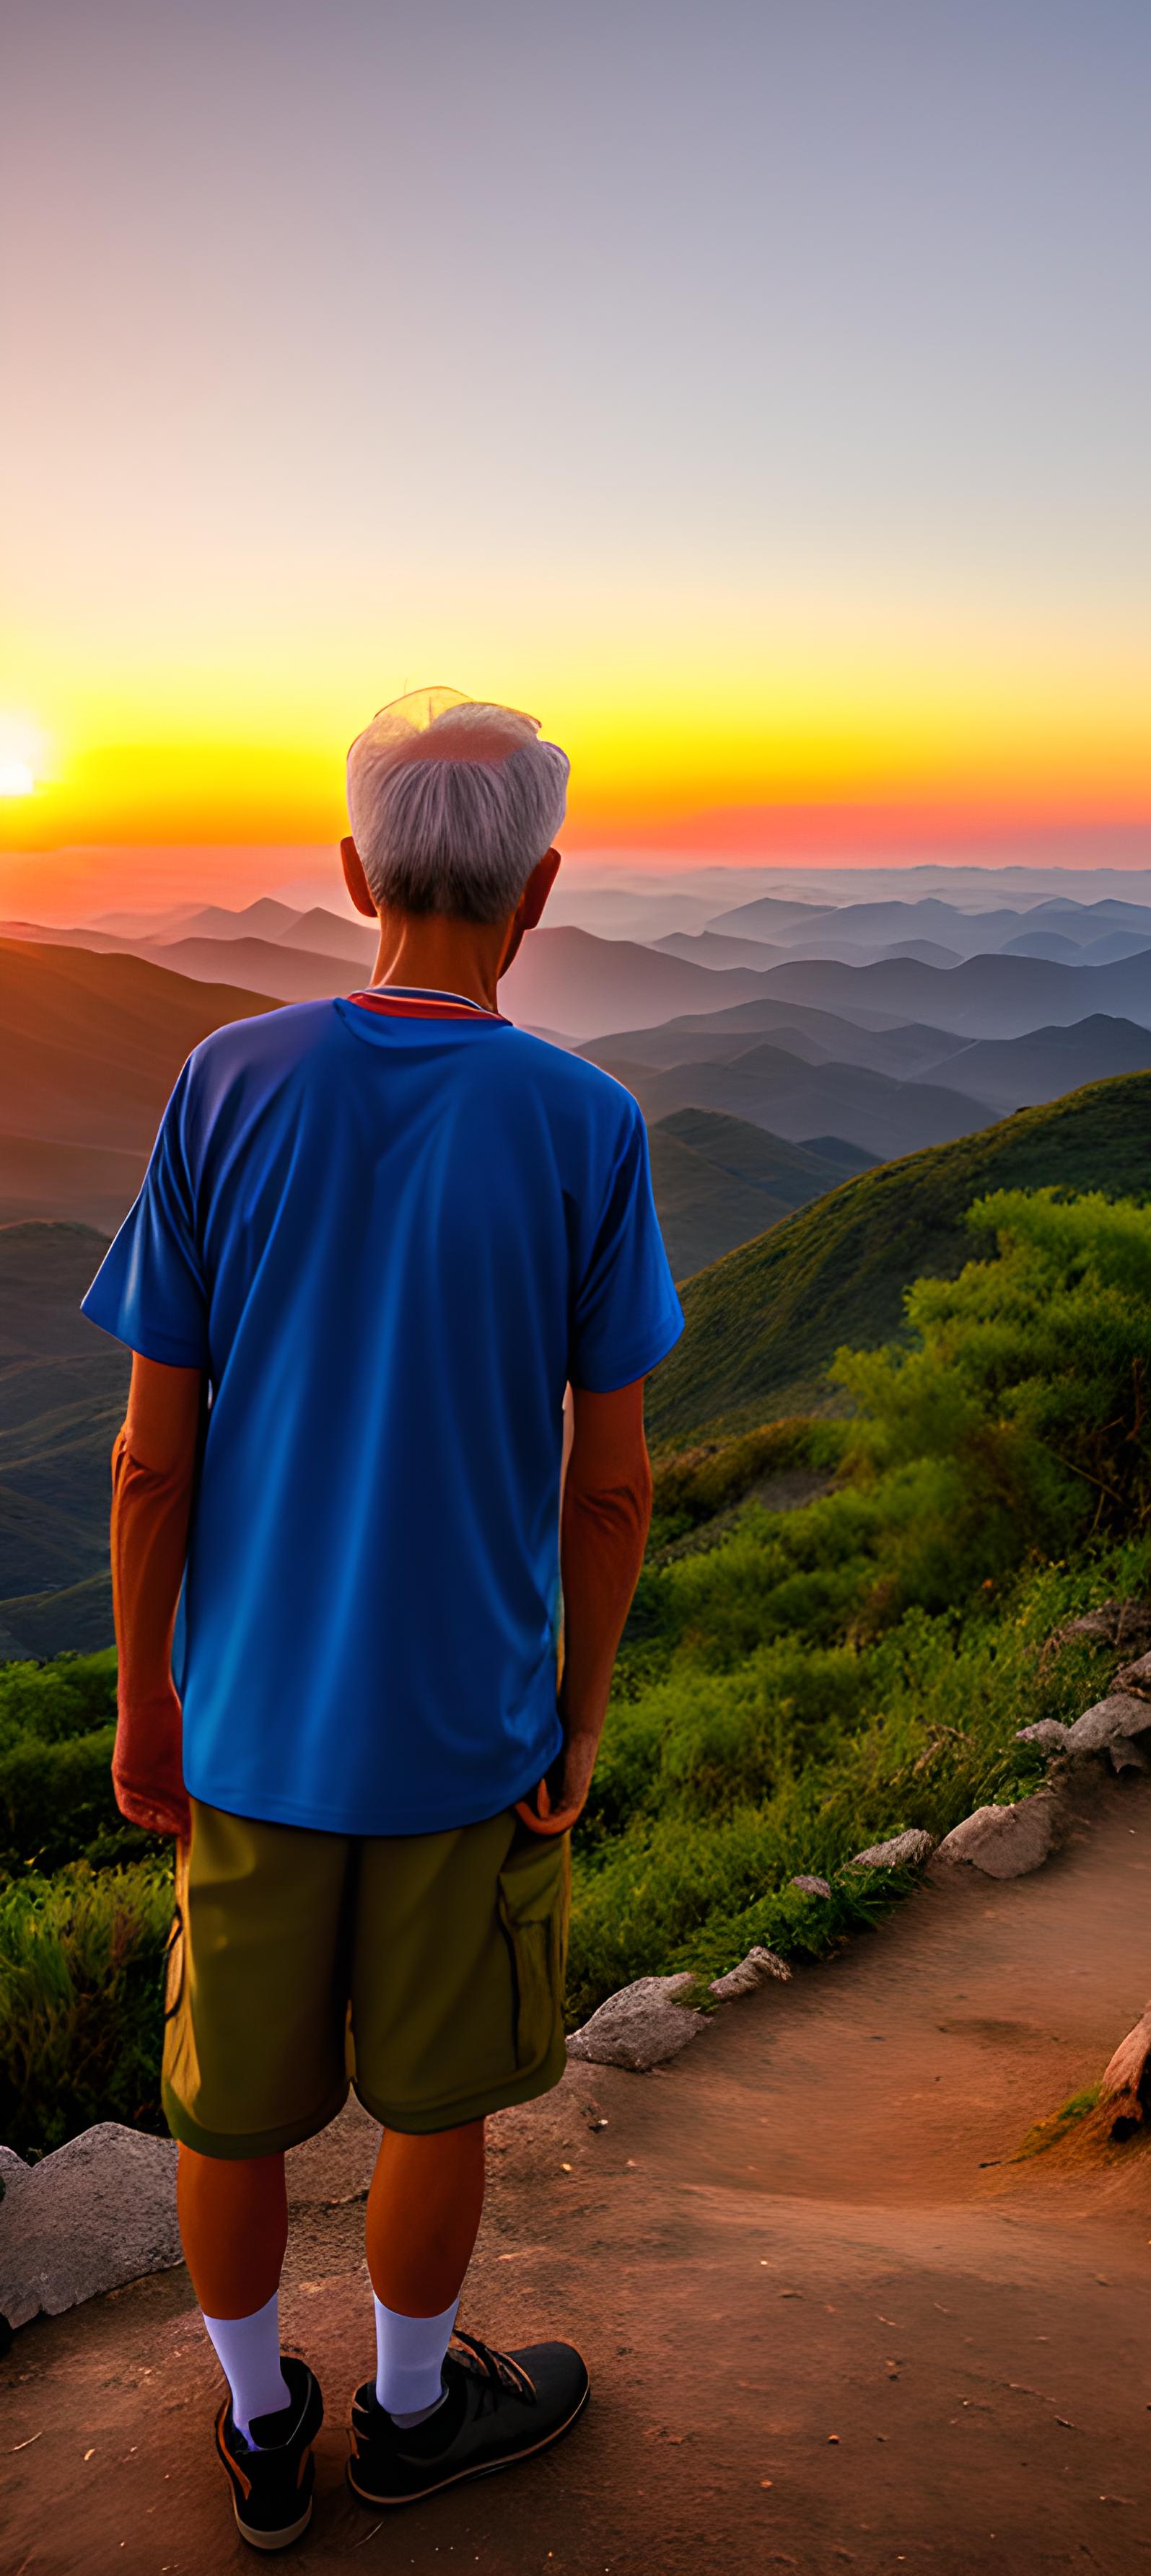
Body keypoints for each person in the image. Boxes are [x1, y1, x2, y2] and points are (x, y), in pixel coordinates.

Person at [82, 687, 683, 2550]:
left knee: (230, 2113)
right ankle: (419, 2415)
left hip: (251, 1723)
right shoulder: (587, 1121)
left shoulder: (228, 1084)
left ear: (353, 873)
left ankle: (264, 2430)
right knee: (438, 2103)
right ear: (546, 887)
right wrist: (578, 1714)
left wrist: (146, 1706)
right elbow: (613, 1481)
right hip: (468, 1733)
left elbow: (149, 1461)